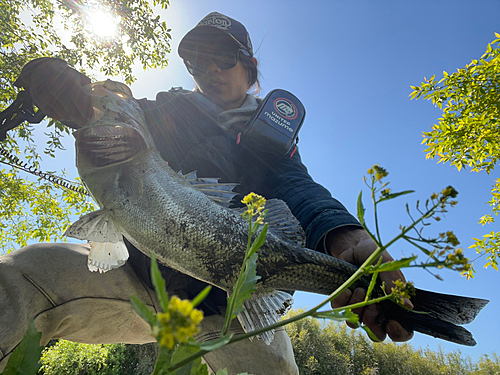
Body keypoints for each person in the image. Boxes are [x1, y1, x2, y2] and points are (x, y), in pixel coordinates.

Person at [0, 12, 412, 374]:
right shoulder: (162, 111)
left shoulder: (271, 137)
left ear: (250, 67)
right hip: (140, 280)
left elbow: (296, 186)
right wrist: (69, 92)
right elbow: (111, 110)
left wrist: (344, 235)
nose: (210, 69)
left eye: (224, 58)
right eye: (197, 61)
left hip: (232, 306)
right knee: (20, 275)